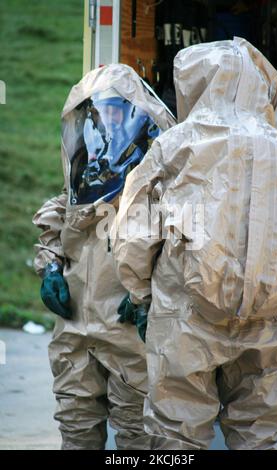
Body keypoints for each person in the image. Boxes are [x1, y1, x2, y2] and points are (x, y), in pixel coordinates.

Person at [111, 37, 277, 450]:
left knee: (176, 432)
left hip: (188, 313)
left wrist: (141, 292)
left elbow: (134, 230)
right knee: (262, 430)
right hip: (275, 316)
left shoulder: (177, 145)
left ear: (194, 84)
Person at [32, 63, 175, 450]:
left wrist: (148, 297)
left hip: (131, 337)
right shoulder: (81, 183)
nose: (106, 120)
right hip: (77, 330)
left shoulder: (159, 189)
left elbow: (180, 257)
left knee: (137, 438)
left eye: (116, 110)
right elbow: (54, 228)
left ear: (138, 119)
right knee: (76, 430)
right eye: (97, 112)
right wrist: (50, 268)